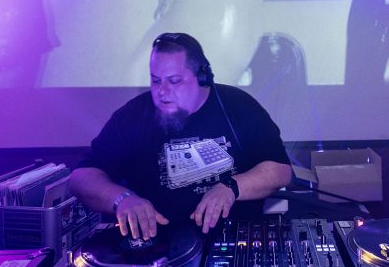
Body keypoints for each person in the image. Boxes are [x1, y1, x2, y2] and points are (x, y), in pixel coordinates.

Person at [70, 32, 292, 241]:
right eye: (156, 80)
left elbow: (280, 171)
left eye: (174, 80)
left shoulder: (239, 107)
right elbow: (82, 177)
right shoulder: (133, 116)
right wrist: (122, 199)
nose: (162, 91)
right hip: (158, 247)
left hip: (233, 238)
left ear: (202, 77)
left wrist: (230, 187)